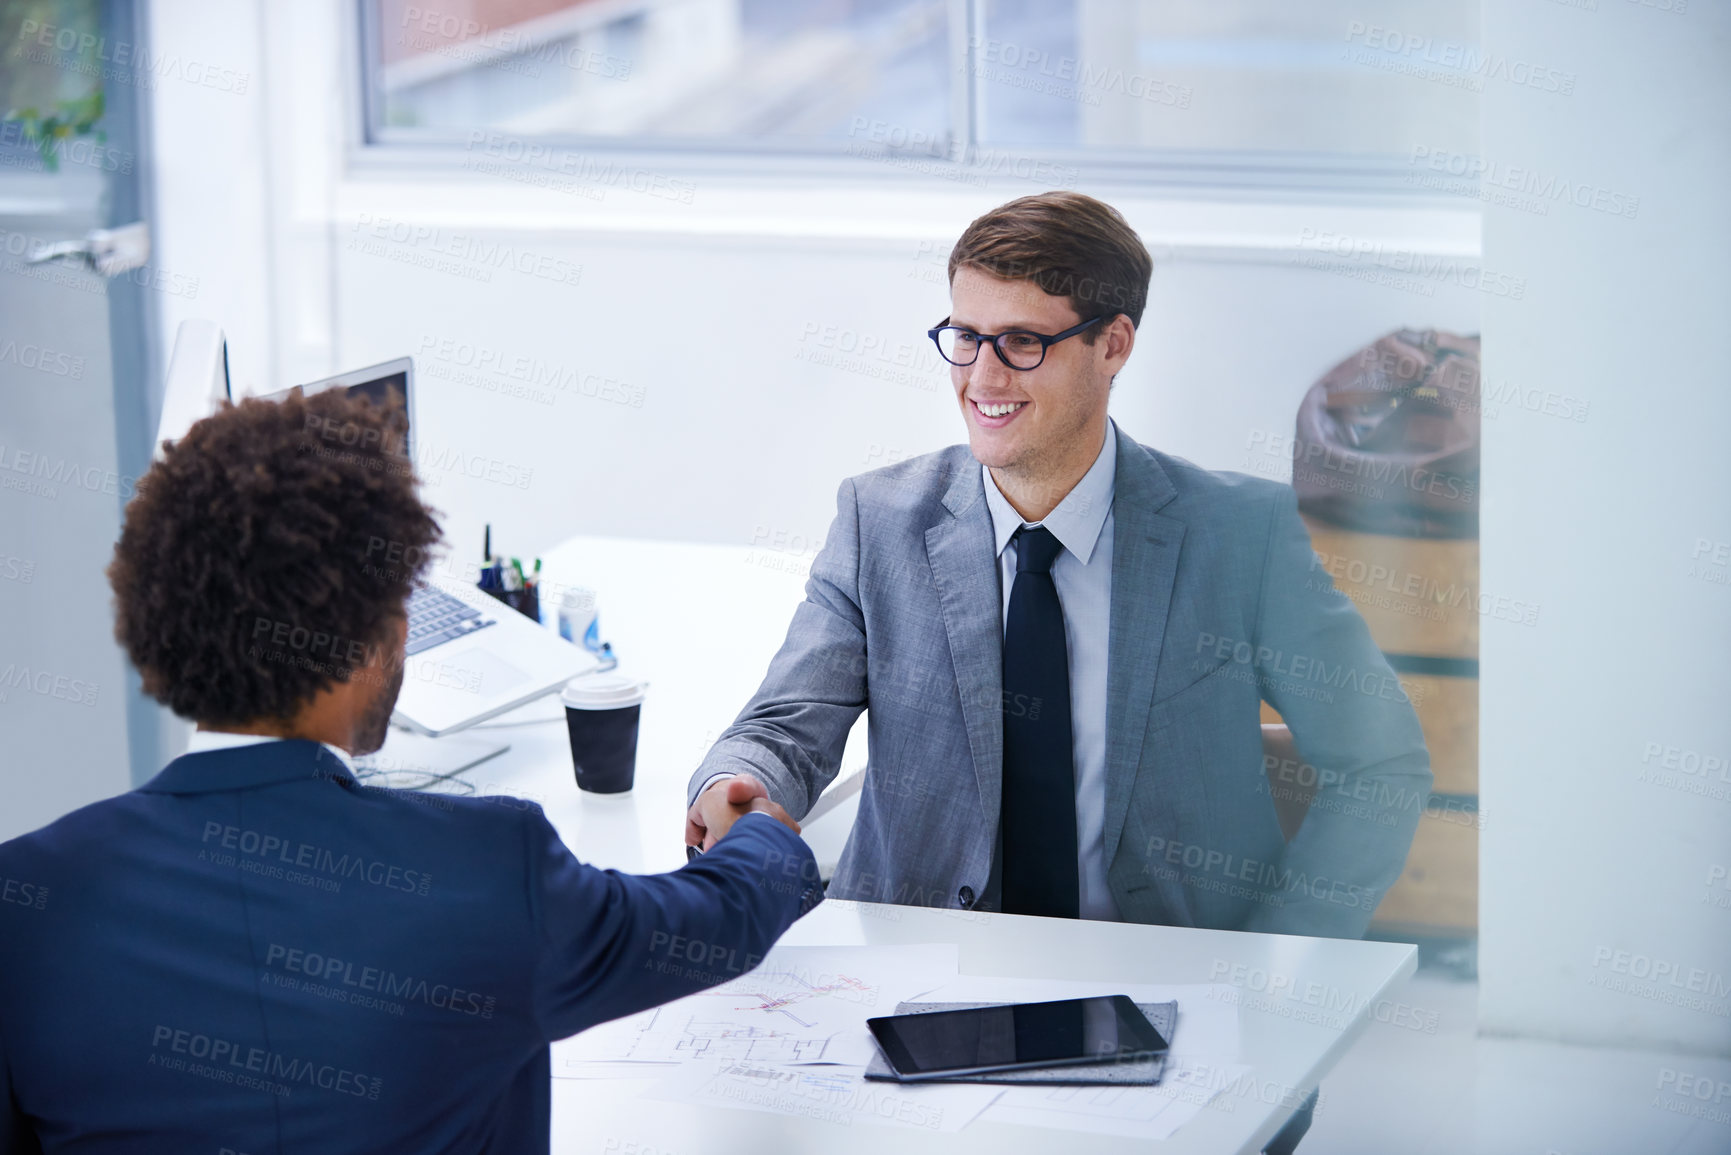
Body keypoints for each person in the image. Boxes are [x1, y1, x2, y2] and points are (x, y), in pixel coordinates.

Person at [0, 389, 817, 1153]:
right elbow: (709, 925)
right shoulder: (489, 866)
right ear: (379, 638)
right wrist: (765, 840)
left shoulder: (25, 895)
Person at [686, 191, 1430, 938]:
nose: (981, 377)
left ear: (1112, 345)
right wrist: (736, 778)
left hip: (1166, 982)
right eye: (965, 336)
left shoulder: (1240, 537)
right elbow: (784, 724)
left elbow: (1380, 763)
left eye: (1020, 342)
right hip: (912, 977)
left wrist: (1281, 952)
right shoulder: (876, 522)